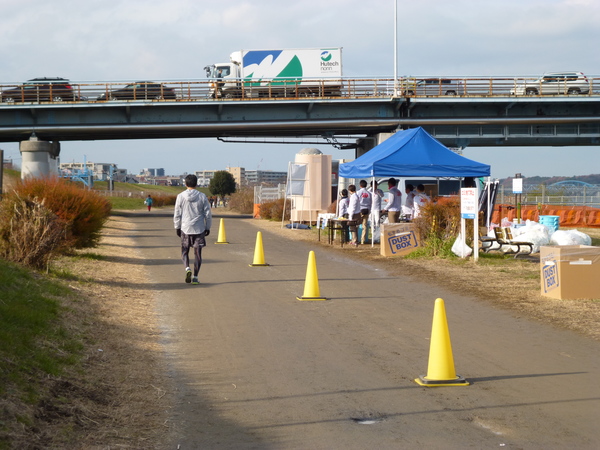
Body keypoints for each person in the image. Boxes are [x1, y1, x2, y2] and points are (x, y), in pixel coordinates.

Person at [173, 174, 212, 285]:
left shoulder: (180, 196)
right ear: (196, 183)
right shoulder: (202, 196)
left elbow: (177, 213)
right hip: (199, 228)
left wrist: (177, 226)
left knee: (184, 251)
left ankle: (187, 268)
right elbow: (208, 214)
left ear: (185, 184)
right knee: (197, 253)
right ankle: (195, 277)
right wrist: (207, 226)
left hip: (185, 228)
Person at [357, 180, 372, 244]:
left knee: (357, 224)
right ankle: (363, 240)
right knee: (364, 225)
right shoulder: (369, 193)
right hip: (367, 210)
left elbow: (357, 201)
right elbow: (371, 202)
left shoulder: (359, 192)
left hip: (360, 210)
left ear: (360, 185)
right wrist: (369, 210)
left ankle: (356, 238)